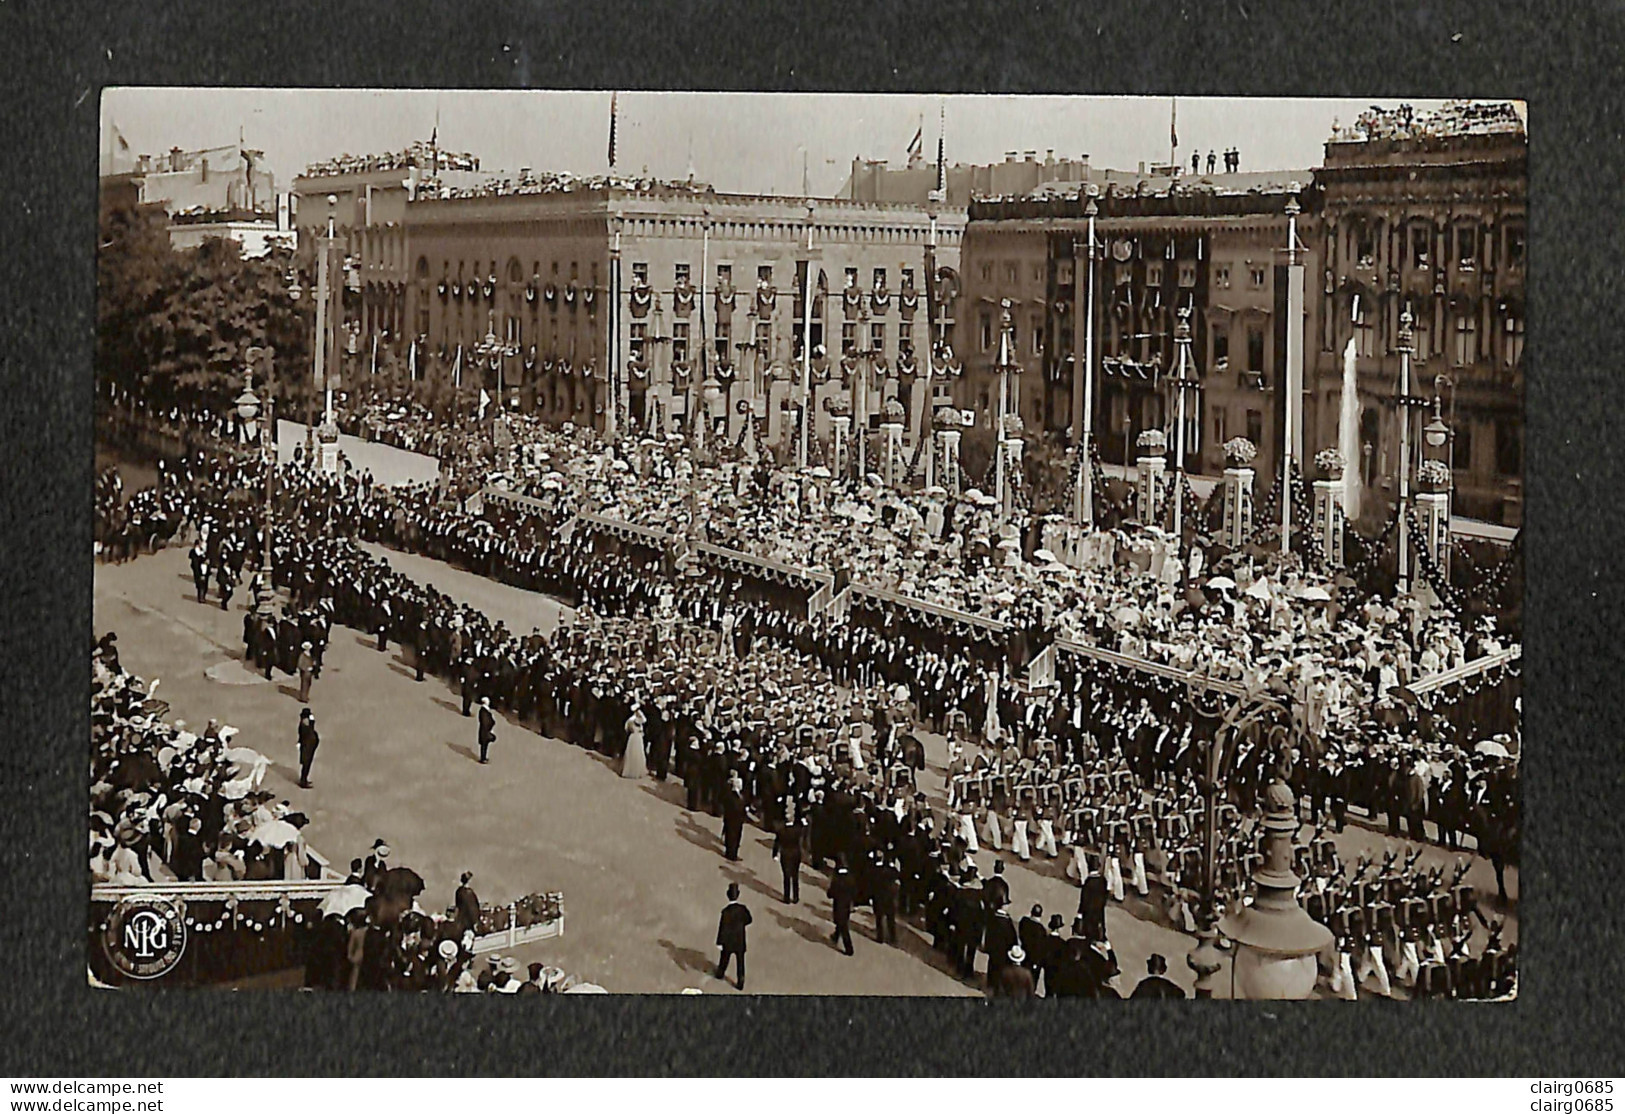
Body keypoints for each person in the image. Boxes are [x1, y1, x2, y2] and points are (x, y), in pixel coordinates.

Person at [714, 882, 752, 990]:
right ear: (738, 894)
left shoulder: (725, 912)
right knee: (740, 962)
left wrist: (719, 942)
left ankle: (720, 973)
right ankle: (740, 981)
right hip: (740, 940)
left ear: (727, 895)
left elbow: (722, 928)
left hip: (728, 941)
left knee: (724, 958)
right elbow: (749, 920)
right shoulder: (742, 909)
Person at [772, 800, 806, 904]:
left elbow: (777, 842)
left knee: (786, 876)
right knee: (795, 875)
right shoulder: (797, 830)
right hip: (796, 853)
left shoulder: (781, 830)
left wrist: (775, 854)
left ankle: (786, 897)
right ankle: (796, 896)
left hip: (785, 854)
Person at [828, 856, 857, 956]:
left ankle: (849, 948)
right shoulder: (850, 877)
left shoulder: (837, 879)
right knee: (842, 921)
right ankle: (835, 936)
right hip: (847, 904)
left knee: (842, 924)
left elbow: (831, 892)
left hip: (839, 903)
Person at [720, 773, 747, 861]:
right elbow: (736, 808)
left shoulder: (735, 795)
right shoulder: (733, 796)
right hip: (734, 819)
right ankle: (731, 854)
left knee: (734, 836)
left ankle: (732, 852)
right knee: (733, 836)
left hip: (734, 819)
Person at [619, 705, 648, 779]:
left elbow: (626, 728)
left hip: (632, 737)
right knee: (637, 753)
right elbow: (644, 720)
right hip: (637, 737)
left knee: (631, 754)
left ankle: (629, 770)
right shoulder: (637, 720)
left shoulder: (630, 720)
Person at [296, 708, 319, 789]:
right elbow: (305, 736)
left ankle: (304, 779)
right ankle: (303, 781)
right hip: (307, 748)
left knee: (307, 764)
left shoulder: (305, 724)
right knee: (306, 764)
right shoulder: (304, 726)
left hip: (309, 747)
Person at [454, 871, 481, 937]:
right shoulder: (469, 893)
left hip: (461, 921)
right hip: (468, 922)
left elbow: (457, 907)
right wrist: (476, 921)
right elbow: (472, 909)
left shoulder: (459, 891)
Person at [477, 696, 496, 764]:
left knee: (485, 745)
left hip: (484, 730)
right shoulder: (484, 711)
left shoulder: (484, 710)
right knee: (484, 745)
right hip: (485, 731)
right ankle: (483, 758)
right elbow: (486, 722)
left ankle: (484, 757)